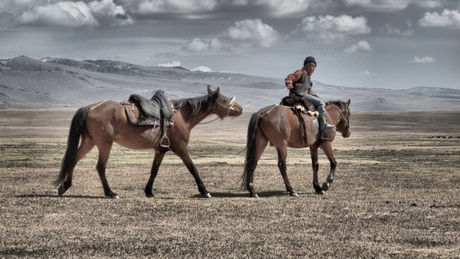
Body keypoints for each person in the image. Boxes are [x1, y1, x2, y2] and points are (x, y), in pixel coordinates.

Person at [285, 56, 335, 135]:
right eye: (310, 65)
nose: (312, 68)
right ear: (305, 66)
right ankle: (323, 125)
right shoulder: (300, 72)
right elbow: (290, 77)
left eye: (313, 66)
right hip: (300, 95)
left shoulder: (308, 77)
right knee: (320, 103)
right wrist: (289, 83)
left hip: (303, 94)